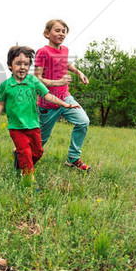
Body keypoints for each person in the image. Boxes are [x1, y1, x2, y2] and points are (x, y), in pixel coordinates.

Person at [0, 46, 78, 180]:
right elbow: (0, 103)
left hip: (33, 124)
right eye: (18, 63)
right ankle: (28, 179)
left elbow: (47, 95)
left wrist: (64, 104)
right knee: (25, 152)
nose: (22, 67)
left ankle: (20, 160)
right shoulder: (6, 85)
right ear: (10, 65)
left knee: (38, 152)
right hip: (16, 127)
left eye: (26, 64)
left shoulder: (33, 81)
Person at [34, 19, 91, 170]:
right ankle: (21, 155)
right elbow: (36, 79)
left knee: (83, 121)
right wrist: (58, 82)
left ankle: (73, 158)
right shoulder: (42, 52)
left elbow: (65, 63)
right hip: (48, 103)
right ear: (47, 33)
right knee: (39, 143)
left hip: (65, 97)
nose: (61, 33)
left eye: (64, 31)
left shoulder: (64, 50)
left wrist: (79, 72)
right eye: (57, 30)